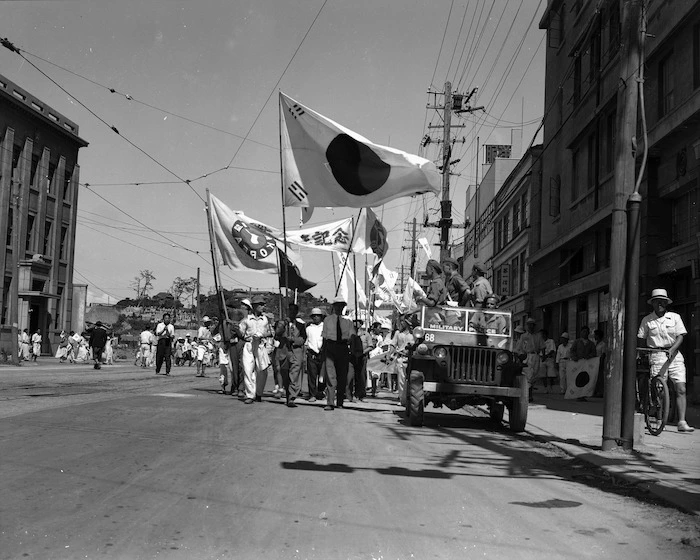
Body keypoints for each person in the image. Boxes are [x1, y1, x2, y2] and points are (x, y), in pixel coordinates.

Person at [638, 288, 694, 433]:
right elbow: (642, 339)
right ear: (653, 303)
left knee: (681, 388)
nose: (660, 304)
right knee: (660, 389)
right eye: (657, 301)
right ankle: (660, 415)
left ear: (666, 303)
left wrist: (672, 349)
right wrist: (645, 354)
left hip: (674, 353)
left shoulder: (674, 317)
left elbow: (681, 336)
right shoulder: (647, 320)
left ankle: (682, 421)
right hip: (657, 355)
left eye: (663, 301)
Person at [239, 296, 273, 404]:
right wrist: (236, 329)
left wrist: (262, 334)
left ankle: (259, 393)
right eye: (261, 305)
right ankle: (250, 395)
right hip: (249, 345)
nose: (263, 307)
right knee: (248, 370)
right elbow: (241, 334)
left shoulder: (266, 319)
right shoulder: (246, 320)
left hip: (261, 346)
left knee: (262, 370)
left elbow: (271, 332)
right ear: (254, 306)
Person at [321, 296, 353, 411]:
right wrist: (323, 352)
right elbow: (324, 337)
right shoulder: (327, 320)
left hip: (343, 348)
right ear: (333, 307)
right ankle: (330, 402)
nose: (339, 307)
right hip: (331, 348)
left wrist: (352, 339)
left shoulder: (348, 321)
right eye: (337, 305)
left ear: (344, 307)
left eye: (341, 305)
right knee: (331, 376)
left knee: (342, 376)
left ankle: (340, 401)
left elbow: (351, 336)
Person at [515, 317, 544, 402]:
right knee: (527, 375)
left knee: (534, 375)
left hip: (535, 356)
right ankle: (528, 394)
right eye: (529, 325)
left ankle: (530, 392)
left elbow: (542, 346)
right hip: (527, 356)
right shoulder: (524, 336)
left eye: (532, 325)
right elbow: (519, 348)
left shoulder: (538, 336)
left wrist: (543, 355)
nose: (530, 327)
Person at [390, 315, 415, 403]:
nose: (401, 323)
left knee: (411, 381)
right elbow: (393, 344)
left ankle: (409, 399)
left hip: (411, 359)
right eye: (400, 321)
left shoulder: (414, 334)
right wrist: (389, 354)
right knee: (401, 380)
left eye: (403, 321)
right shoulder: (398, 333)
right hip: (401, 358)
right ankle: (402, 399)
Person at [284, 303, 306, 405]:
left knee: (294, 373)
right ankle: (285, 392)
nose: (292, 312)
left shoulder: (301, 326)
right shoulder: (282, 323)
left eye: (294, 311)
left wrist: (293, 339)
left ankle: (291, 396)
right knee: (284, 373)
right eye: (290, 310)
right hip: (284, 351)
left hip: (296, 351)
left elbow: (303, 339)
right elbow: (277, 334)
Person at [347, 320, 373, 403]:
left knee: (361, 376)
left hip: (362, 357)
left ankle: (360, 394)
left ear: (361, 324)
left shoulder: (366, 334)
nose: (356, 323)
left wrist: (362, 352)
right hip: (351, 357)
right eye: (354, 321)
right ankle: (349, 394)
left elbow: (370, 346)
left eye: (358, 322)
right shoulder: (349, 333)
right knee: (350, 376)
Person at [305, 308, 325, 403]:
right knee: (312, 375)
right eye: (314, 316)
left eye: (318, 316)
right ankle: (312, 394)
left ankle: (320, 391)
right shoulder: (309, 328)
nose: (316, 317)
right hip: (312, 353)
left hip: (323, 353)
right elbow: (306, 341)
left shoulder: (325, 327)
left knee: (322, 375)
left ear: (321, 317)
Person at [593, 329, 607, 398]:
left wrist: (601, 362)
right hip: (594, 362)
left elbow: (603, 354)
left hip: (600, 360)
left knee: (600, 377)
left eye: (595, 335)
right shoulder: (595, 343)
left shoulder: (603, 344)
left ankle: (600, 392)